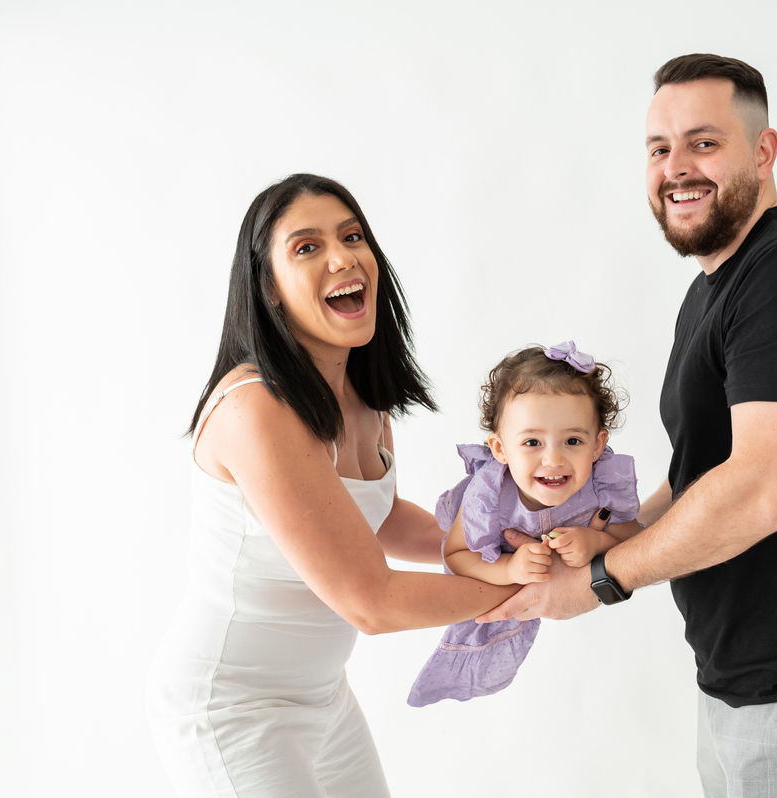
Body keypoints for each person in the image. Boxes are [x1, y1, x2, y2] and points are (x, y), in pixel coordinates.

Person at [477, 54, 777, 797]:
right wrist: (614, 532)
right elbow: (706, 474)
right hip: (747, 678)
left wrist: (604, 581)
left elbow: (764, 488)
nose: (676, 168)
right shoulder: (719, 285)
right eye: (659, 148)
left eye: (703, 143)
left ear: (764, 151)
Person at [145, 174, 522, 798]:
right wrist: (519, 585)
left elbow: (380, 517)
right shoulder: (255, 409)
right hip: (229, 711)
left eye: (352, 237)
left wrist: (502, 539)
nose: (343, 257)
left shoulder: (362, 397)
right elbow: (370, 601)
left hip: (322, 697)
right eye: (307, 247)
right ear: (268, 287)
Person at [407, 342, 641, 707]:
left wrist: (597, 543)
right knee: (481, 643)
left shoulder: (603, 483)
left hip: (574, 611)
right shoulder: (489, 496)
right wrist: (509, 568)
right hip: (496, 590)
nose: (553, 458)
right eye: (532, 442)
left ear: (597, 446)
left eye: (573, 440)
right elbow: (455, 555)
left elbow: (635, 539)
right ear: (500, 449)